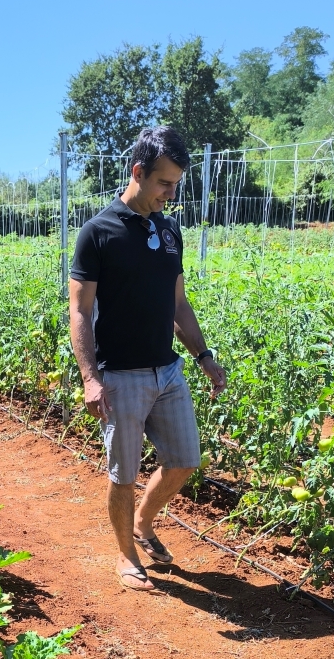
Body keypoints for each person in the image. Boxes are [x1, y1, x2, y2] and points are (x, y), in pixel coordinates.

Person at [68, 124, 228, 591]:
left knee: (183, 460)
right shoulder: (98, 233)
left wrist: (203, 356)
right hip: (121, 377)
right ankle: (126, 557)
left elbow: (178, 303)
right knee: (124, 475)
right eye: (163, 182)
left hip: (168, 370)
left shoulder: (169, 229)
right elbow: (80, 310)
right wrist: (90, 377)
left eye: (176, 184)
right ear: (138, 172)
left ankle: (143, 521)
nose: (170, 193)